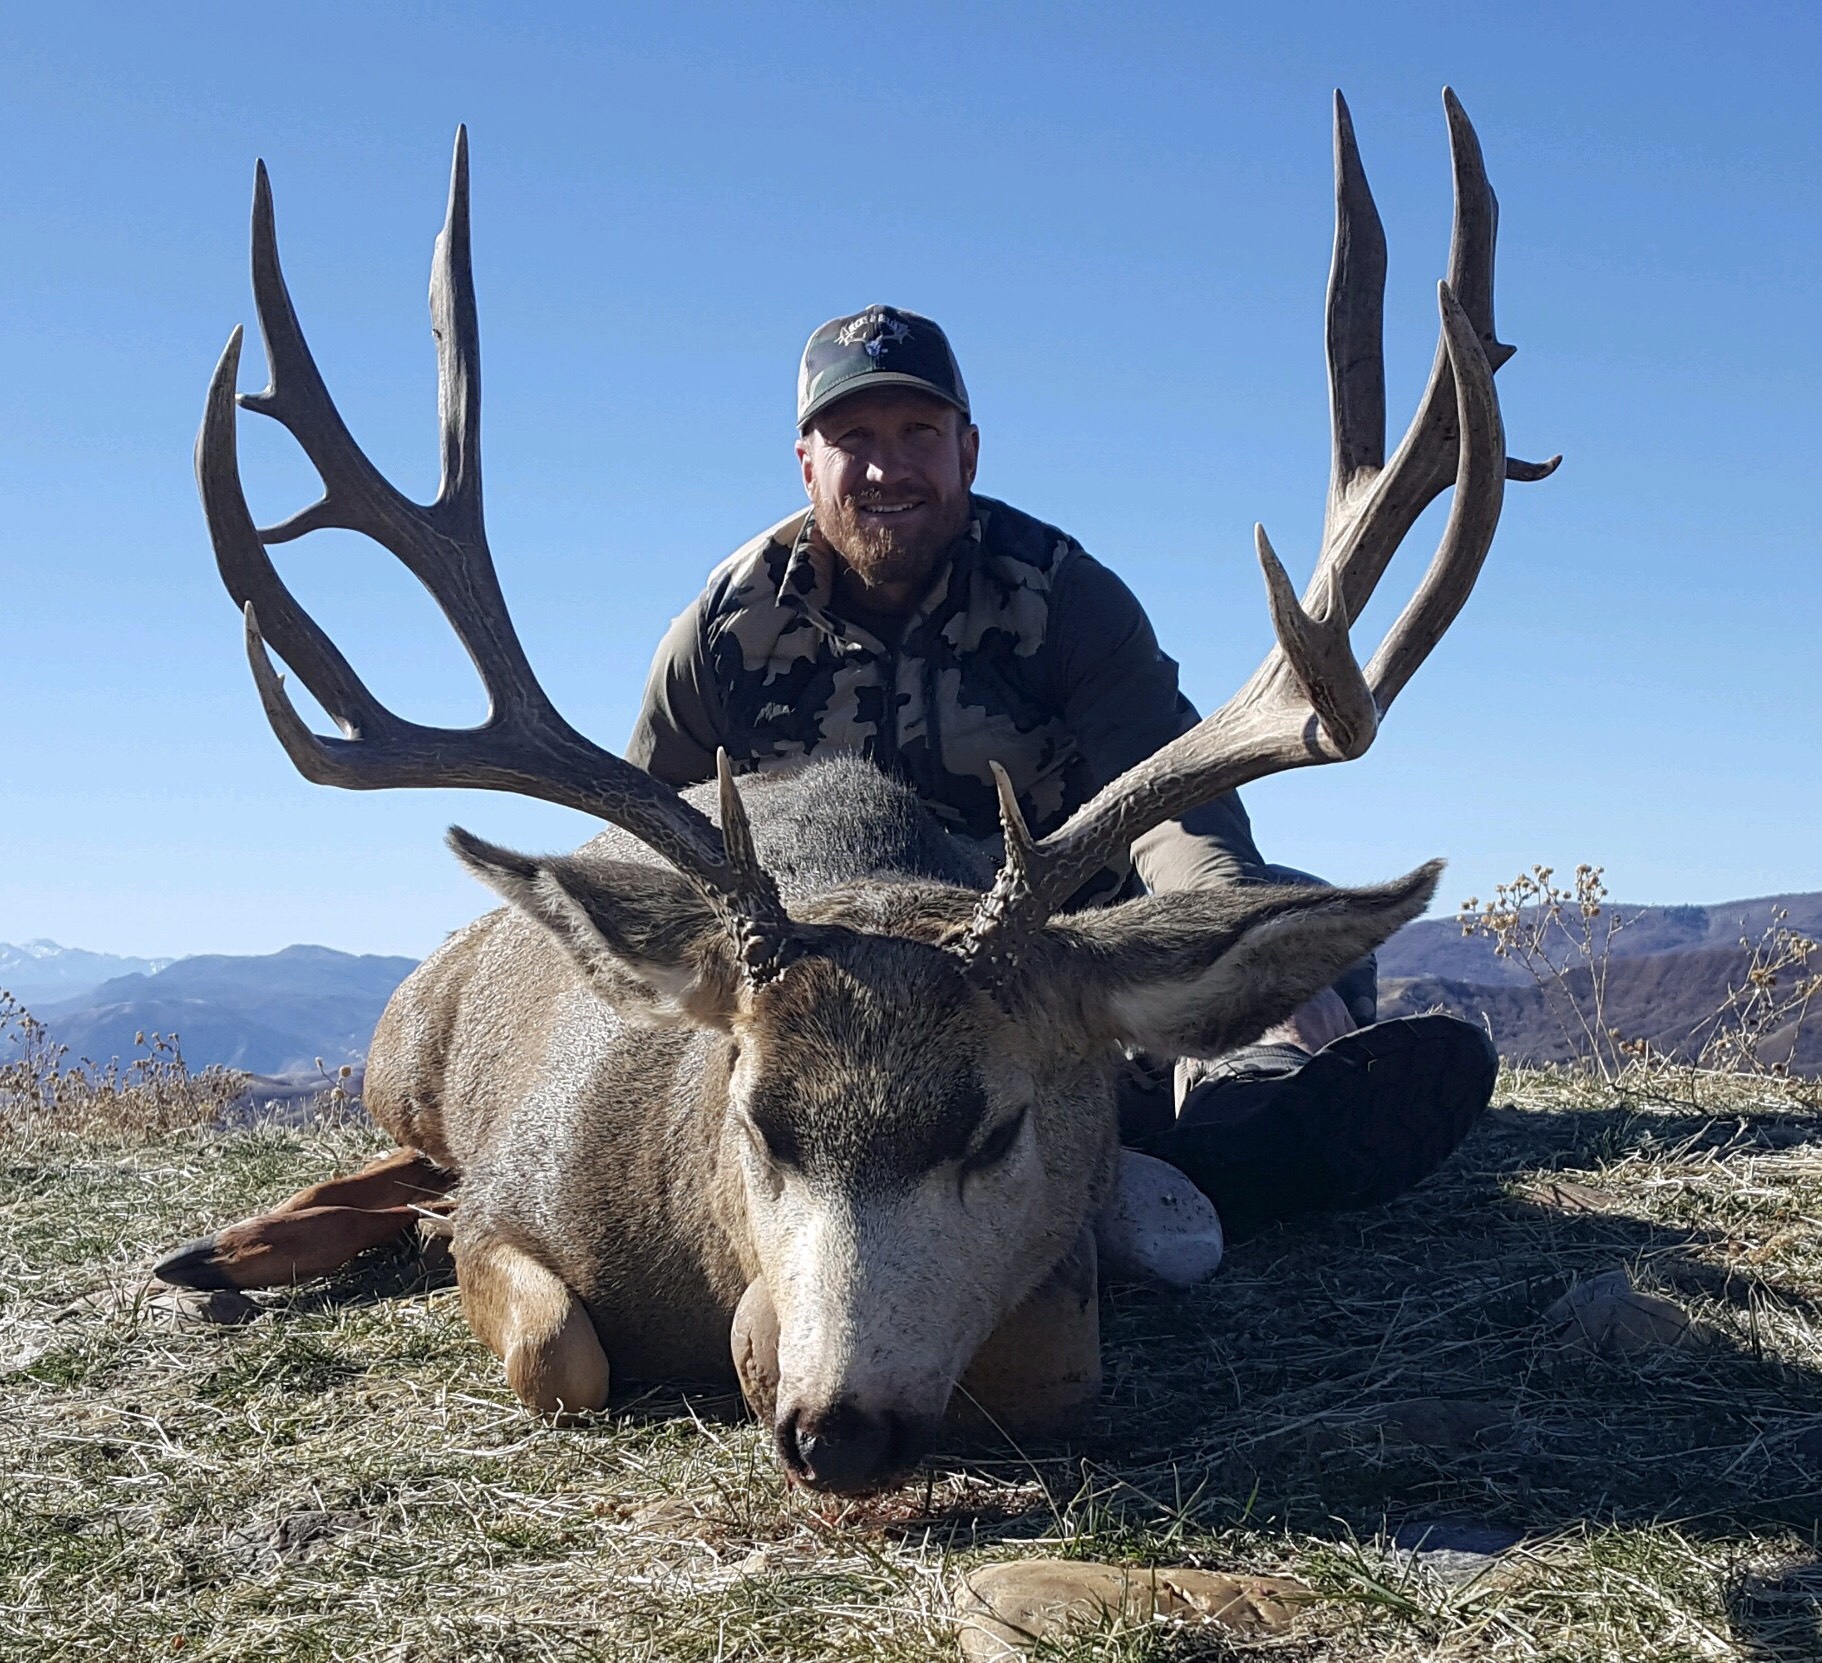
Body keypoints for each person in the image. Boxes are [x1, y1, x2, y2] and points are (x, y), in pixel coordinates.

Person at [628, 305, 1495, 1241]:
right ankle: (1156, 1135)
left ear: (968, 450)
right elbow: (644, 842)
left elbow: (1176, 809)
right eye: (854, 439)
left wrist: (1244, 953)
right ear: (808, 462)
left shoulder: (1061, 596)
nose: (886, 469)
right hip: (832, 991)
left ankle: (1245, 1094)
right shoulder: (725, 632)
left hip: (1030, 952)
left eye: (918, 433)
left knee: (1300, 925)